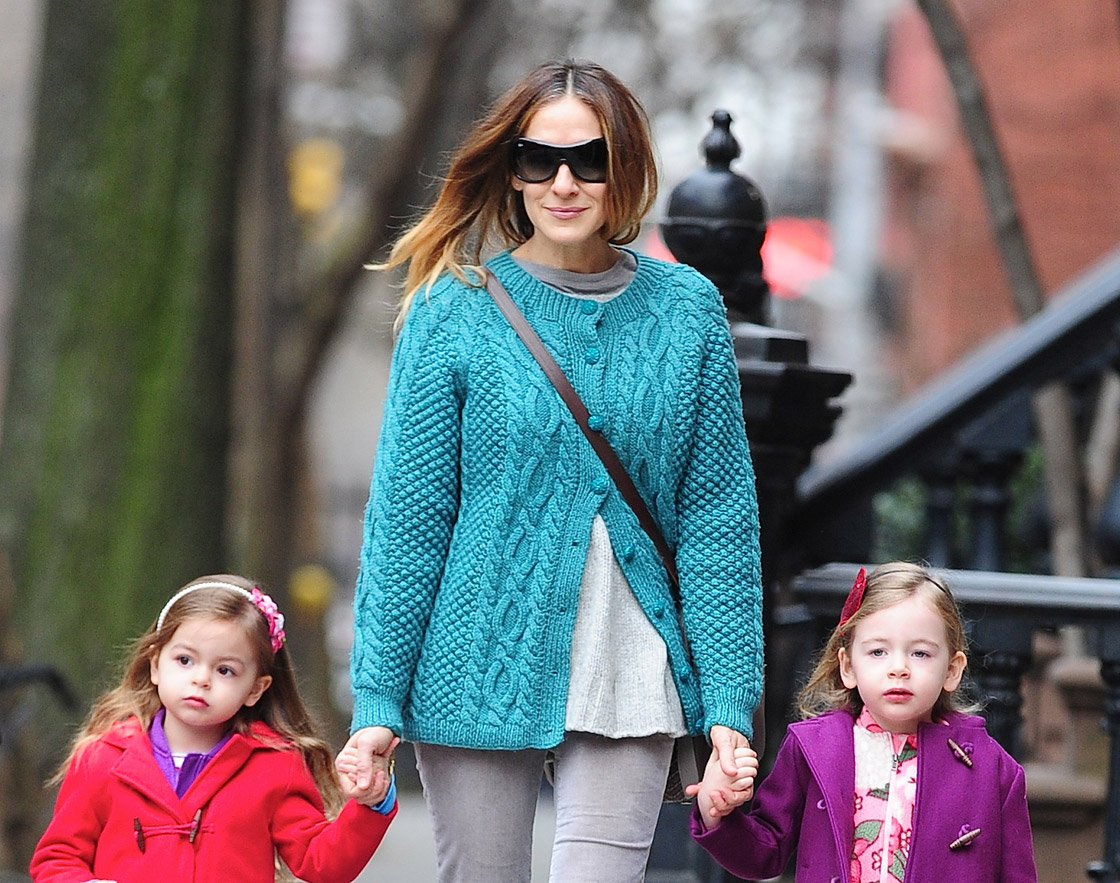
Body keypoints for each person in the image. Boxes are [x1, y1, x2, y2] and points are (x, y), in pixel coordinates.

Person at [339, 58, 763, 882]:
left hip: (630, 660)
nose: (564, 182)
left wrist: (729, 705)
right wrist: (378, 702)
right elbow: (409, 522)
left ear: (627, 165)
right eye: (540, 159)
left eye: (590, 159)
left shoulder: (689, 312)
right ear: (512, 169)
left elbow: (718, 522)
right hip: (476, 655)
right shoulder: (451, 307)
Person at [30, 575, 397, 883]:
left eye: (225, 670)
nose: (201, 679)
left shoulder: (276, 766)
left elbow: (323, 862)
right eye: (185, 660)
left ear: (256, 688)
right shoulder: (102, 760)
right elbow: (57, 859)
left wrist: (370, 805)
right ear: (156, 665)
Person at [689, 562, 1039, 883]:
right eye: (877, 652)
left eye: (920, 653)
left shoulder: (993, 769)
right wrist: (714, 810)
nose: (898, 667)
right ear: (847, 666)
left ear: (952, 669)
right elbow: (763, 854)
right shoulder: (812, 749)